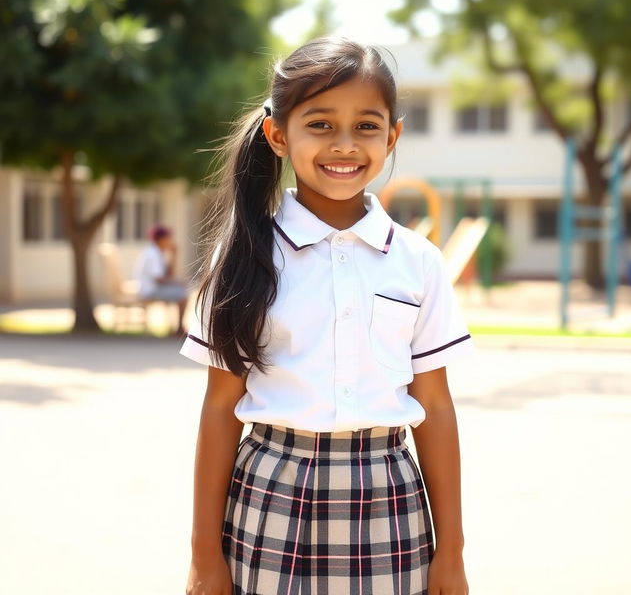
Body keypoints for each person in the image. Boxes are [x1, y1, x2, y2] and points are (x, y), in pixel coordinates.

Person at [180, 37, 476, 595]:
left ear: (393, 135)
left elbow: (435, 406)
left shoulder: (418, 262)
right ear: (278, 135)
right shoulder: (242, 256)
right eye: (320, 124)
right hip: (269, 495)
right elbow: (220, 408)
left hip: (388, 500)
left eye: (367, 126)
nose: (345, 145)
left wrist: (452, 553)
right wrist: (203, 556)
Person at [133, 223, 188, 336]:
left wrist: (174, 255)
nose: (170, 241)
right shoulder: (153, 254)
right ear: (161, 239)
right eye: (168, 238)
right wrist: (177, 282)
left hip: (154, 288)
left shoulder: (158, 252)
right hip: (150, 290)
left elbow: (169, 273)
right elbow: (159, 279)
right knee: (183, 296)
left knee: (181, 291)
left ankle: (177, 328)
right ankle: (179, 329)